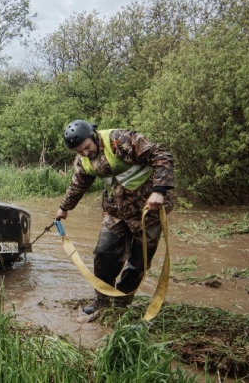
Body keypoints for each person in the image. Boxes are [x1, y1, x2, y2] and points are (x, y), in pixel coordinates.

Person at [55, 120, 175, 314]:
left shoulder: (120, 140)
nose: (85, 153)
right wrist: (64, 208)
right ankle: (102, 302)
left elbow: (161, 154)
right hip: (115, 212)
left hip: (148, 211)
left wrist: (159, 191)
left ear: (93, 136)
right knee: (104, 254)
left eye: (87, 147)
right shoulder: (83, 159)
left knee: (139, 262)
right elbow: (79, 183)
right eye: (79, 151)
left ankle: (122, 304)